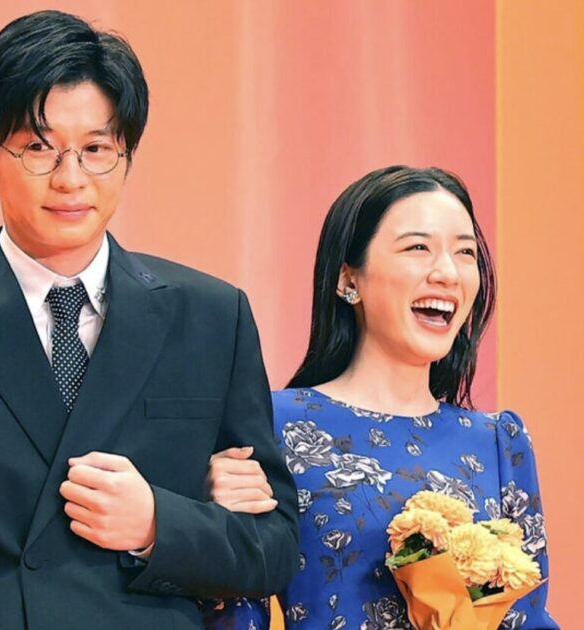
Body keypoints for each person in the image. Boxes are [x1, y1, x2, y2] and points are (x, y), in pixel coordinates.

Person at [0, 10, 298, 629]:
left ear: (127, 155)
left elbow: (274, 550)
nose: (71, 179)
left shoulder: (211, 317)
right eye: (38, 149)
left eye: (96, 149)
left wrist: (157, 523)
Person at [204, 166, 558, 629]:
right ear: (348, 279)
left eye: (465, 252)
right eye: (418, 248)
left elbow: (527, 617)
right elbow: (237, 610)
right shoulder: (276, 426)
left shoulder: (499, 442)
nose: (447, 273)